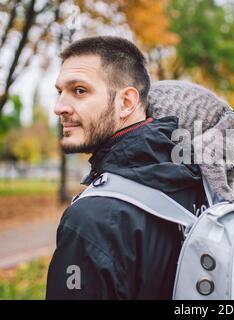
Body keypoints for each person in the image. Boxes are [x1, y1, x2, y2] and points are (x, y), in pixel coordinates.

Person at [46, 36, 207, 299]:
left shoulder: (91, 220)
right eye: (59, 92)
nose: (59, 107)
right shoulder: (196, 179)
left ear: (126, 102)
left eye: (79, 91)